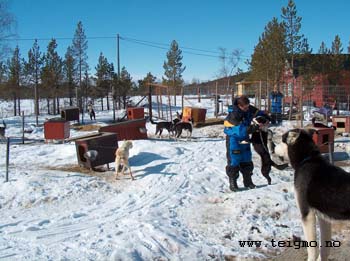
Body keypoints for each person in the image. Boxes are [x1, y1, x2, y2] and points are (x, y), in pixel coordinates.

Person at [224, 95, 266, 191]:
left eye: (248, 106)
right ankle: (233, 183)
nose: (247, 109)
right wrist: (254, 128)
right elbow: (240, 130)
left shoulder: (248, 109)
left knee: (246, 158)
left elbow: (257, 112)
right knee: (234, 160)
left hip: (245, 138)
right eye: (245, 107)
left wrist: (265, 116)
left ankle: (248, 181)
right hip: (233, 138)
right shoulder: (233, 115)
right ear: (239, 106)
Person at [250, 116, 288, 185]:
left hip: (262, 150)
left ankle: (269, 179)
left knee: (265, 170)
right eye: (266, 124)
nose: (267, 126)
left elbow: (255, 139)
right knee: (267, 161)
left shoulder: (262, 132)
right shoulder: (259, 130)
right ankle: (276, 166)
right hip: (262, 150)